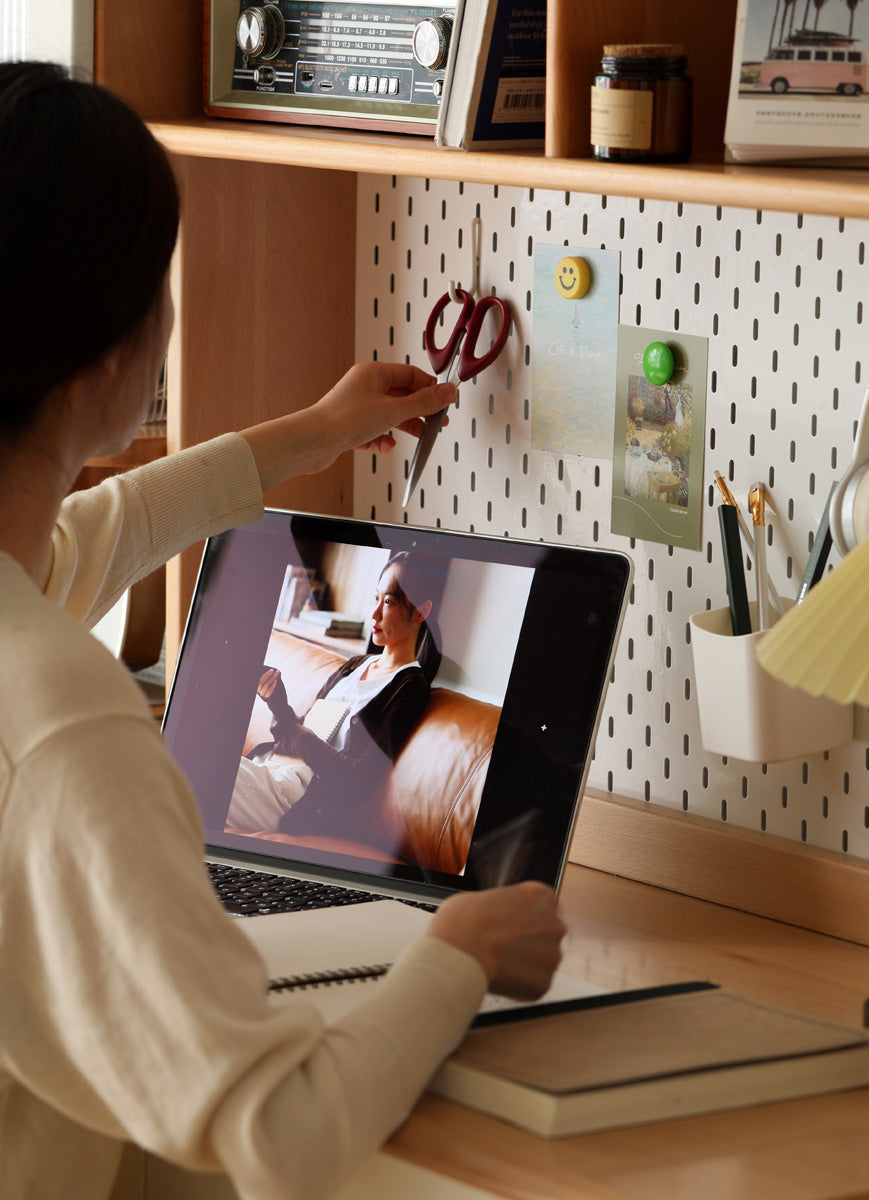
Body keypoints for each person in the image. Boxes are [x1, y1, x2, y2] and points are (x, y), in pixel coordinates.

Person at [0, 61, 566, 1200]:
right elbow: (286, 1136)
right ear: (116, 355)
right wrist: (455, 954)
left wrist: (307, 434)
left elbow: (78, 541)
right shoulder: (71, 732)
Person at [228, 551, 444, 842]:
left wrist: (297, 732)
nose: (375, 613)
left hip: (295, 797)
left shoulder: (409, 686)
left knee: (186, 776)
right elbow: (293, 735)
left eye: (389, 601)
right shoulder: (356, 664)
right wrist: (277, 702)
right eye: (375, 598)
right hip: (271, 767)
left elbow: (358, 779)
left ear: (421, 611)